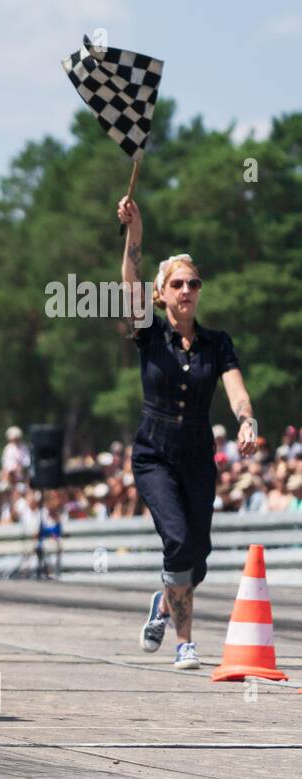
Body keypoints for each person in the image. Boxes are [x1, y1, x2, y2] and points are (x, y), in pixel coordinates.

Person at [118, 196, 259, 670]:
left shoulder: (217, 343)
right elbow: (129, 281)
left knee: (199, 551)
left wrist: (246, 419)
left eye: (193, 283)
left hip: (199, 452)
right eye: (177, 283)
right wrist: (135, 232)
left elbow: (235, 386)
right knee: (178, 541)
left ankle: (163, 600)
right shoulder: (148, 333)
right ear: (161, 293)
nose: (186, 289)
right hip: (154, 453)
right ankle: (185, 642)